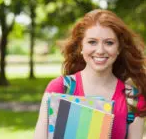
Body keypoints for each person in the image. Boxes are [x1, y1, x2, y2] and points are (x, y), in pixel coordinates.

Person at [34, 9, 146, 139]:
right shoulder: (60, 88)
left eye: (109, 43)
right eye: (92, 42)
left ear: (119, 48)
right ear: (81, 46)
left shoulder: (133, 99)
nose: (100, 50)